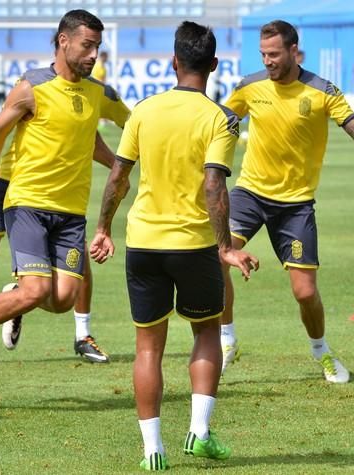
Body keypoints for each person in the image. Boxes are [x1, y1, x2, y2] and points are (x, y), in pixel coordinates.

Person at [90, 21, 258, 471]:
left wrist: (103, 228)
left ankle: (152, 452)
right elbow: (214, 186)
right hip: (194, 244)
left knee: (148, 347)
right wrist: (225, 246)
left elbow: (118, 176)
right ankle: (199, 434)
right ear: (215, 65)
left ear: (174, 62)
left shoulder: (143, 111)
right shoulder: (222, 119)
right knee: (205, 333)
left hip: (143, 242)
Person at [0, 9, 131, 391]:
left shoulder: (99, 93)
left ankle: (16, 295)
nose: (94, 54)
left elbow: (137, 123)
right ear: (63, 41)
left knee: (61, 299)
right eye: (87, 45)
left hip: (72, 213)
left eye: (98, 46)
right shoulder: (31, 87)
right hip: (27, 203)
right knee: (37, 290)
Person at [219, 20, 354, 382]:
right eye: (263, 54)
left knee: (305, 292)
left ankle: (322, 351)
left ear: (293, 51)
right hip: (249, 193)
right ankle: (226, 340)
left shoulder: (321, 90)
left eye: (274, 54)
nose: (267, 61)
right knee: (215, 259)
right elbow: (220, 122)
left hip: (296, 204)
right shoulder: (249, 87)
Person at [0, 132, 114, 365]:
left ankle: (82, 334)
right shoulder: (30, 95)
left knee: (79, 256)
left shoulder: (97, 95)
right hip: (6, 179)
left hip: (53, 191)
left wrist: (121, 168)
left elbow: (99, 133)